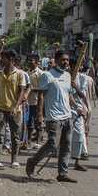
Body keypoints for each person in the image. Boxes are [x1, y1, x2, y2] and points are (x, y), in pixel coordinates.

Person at [25, 50, 76, 183]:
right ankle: (32, 161)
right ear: (56, 60)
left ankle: (62, 173)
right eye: (63, 59)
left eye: (67, 60)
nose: (66, 62)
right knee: (52, 144)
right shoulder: (47, 75)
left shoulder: (68, 75)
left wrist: (78, 107)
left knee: (66, 146)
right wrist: (40, 114)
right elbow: (41, 95)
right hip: (53, 116)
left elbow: (68, 95)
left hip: (67, 115)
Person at [0, 50, 26, 170]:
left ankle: (14, 160)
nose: (1, 60)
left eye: (3, 58)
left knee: (15, 136)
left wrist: (16, 106)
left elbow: (21, 92)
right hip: (0, 108)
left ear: (10, 59)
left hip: (15, 110)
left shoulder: (20, 74)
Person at [70, 64, 91, 172]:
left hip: (78, 110)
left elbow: (82, 95)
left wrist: (75, 86)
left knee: (79, 135)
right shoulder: (64, 76)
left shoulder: (82, 78)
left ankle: (77, 161)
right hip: (65, 109)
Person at [25, 54, 44, 148]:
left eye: (31, 60)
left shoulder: (40, 73)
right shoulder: (26, 72)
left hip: (37, 101)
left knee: (38, 121)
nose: (29, 62)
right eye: (28, 60)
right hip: (28, 101)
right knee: (28, 122)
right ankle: (27, 141)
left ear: (36, 62)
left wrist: (32, 89)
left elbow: (43, 89)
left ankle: (37, 141)